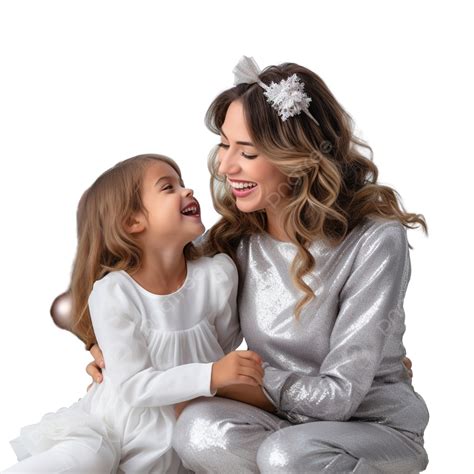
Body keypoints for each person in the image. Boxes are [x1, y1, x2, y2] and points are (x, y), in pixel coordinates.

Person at [72, 56, 430, 473]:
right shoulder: (238, 238)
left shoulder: (374, 239)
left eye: (247, 152)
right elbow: (149, 276)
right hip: (280, 419)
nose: (225, 167)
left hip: (369, 425)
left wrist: (235, 380)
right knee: (195, 429)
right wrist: (105, 348)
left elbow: (339, 398)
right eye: (224, 145)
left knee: (286, 456)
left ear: (298, 158)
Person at [5, 153, 272, 473]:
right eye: (168, 188)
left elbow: (223, 344)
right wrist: (210, 375)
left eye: (183, 184)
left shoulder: (216, 276)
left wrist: (226, 375)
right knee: (88, 460)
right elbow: (134, 384)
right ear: (132, 221)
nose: (187, 192)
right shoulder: (115, 292)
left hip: (188, 428)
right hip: (118, 427)